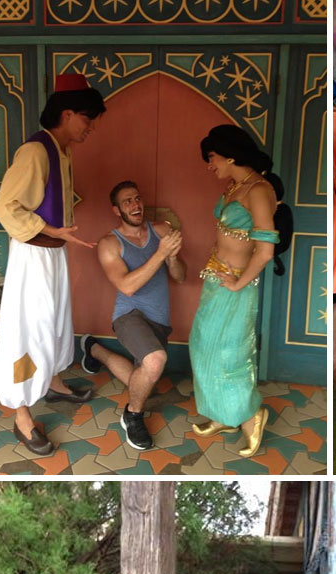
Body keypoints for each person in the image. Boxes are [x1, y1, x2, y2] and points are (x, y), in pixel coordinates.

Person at [0, 73, 106, 457]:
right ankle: (22, 415)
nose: (90, 128)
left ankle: (53, 381)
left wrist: (61, 224)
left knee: (56, 321)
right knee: (27, 329)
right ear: (68, 113)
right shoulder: (36, 152)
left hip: (53, 253)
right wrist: (50, 230)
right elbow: (6, 206)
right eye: (87, 120)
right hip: (33, 255)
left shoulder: (60, 150)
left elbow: (49, 195)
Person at [189, 126, 284, 457]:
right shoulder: (235, 186)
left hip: (237, 286)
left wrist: (238, 283)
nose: (208, 165)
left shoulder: (258, 190)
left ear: (230, 155)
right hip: (215, 280)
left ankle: (251, 416)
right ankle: (223, 414)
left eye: (211, 157)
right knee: (204, 346)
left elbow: (265, 250)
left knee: (230, 355)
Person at [82, 181, 187, 452]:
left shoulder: (161, 231)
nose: (135, 204)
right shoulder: (109, 243)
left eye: (137, 198)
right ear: (116, 210)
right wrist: (161, 253)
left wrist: (172, 257)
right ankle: (132, 415)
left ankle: (93, 349)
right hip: (129, 315)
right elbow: (127, 286)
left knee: (142, 378)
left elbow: (180, 276)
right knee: (155, 362)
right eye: (127, 201)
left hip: (159, 320)